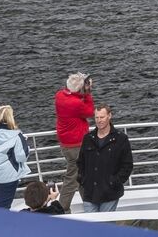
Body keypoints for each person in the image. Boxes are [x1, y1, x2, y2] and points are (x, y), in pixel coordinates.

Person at [75, 104, 133, 213]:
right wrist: (83, 180)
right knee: (90, 222)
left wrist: (114, 182)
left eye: (102, 117)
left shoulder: (121, 139)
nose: (99, 120)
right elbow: (81, 162)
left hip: (110, 193)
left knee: (106, 222)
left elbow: (127, 165)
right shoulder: (88, 138)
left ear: (109, 116)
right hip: (89, 192)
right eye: (96, 117)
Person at [53, 72, 93, 212]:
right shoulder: (76, 103)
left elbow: (73, 95)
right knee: (72, 177)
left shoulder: (59, 96)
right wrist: (87, 93)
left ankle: (89, 202)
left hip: (66, 144)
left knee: (81, 173)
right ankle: (62, 207)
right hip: (76, 145)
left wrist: (81, 90)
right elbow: (90, 112)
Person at [0, 105, 30, 209]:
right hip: (7, 176)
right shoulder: (16, 136)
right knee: (4, 205)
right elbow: (21, 157)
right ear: (11, 118)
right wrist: (25, 144)